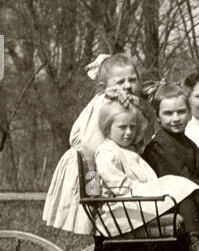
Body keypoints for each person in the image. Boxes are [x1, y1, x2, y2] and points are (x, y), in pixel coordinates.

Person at [92, 95, 199, 251]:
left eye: (132, 127)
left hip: (137, 202)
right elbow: (119, 186)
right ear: (107, 127)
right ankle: (195, 244)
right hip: (122, 210)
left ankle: (197, 241)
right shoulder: (107, 152)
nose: (128, 132)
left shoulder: (129, 150)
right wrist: (150, 189)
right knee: (179, 188)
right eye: (122, 127)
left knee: (180, 188)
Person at [43, 53, 142, 235]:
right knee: (97, 214)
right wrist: (99, 182)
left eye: (132, 80)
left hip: (104, 163)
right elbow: (90, 144)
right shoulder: (105, 103)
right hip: (90, 165)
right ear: (104, 86)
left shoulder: (127, 104)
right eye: (120, 82)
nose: (127, 85)